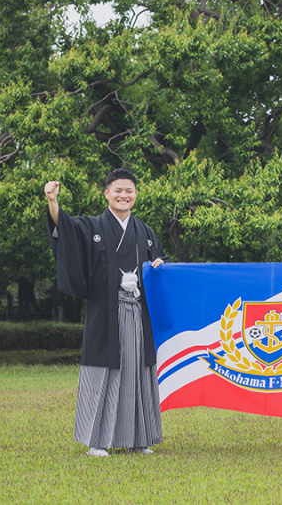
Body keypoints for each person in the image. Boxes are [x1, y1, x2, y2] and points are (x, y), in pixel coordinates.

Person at [45, 168, 168, 457]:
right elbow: (64, 228)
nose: (124, 195)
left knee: (138, 371)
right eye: (118, 190)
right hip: (106, 313)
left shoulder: (146, 233)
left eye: (129, 191)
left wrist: (161, 264)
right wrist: (52, 201)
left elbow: (160, 262)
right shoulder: (92, 227)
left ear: (135, 194)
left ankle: (139, 439)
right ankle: (97, 441)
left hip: (138, 313)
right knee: (103, 372)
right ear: (107, 194)